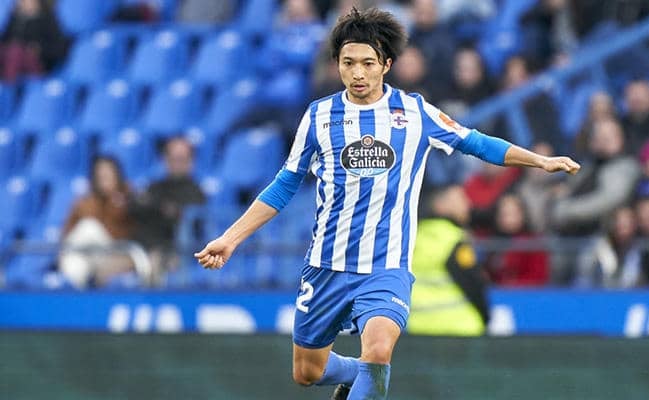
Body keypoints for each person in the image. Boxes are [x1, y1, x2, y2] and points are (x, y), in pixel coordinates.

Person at [193, 8, 580, 400]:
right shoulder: (319, 116)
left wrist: (539, 160)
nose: (357, 73)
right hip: (326, 265)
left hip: (385, 267)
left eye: (367, 63)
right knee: (308, 372)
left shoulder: (414, 113)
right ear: (337, 64)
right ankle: (353, 374)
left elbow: (476, 142)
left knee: (378, 350)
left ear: (386, 65)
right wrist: (230, 238)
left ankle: (365, 375)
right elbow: (284, 185)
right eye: (348, 63)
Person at [407, 184, 489, 336]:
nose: (468, 204)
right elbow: (473, 282)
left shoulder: (414, 235)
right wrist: (486, 316)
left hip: (419, 327)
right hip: (459, 327)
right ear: (440, 205)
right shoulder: (455, 239)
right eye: (460, 199)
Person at [132, 137, 206, 280]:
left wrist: (155, 207)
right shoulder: (155, 186)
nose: (176, 163)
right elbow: (136, 207)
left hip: (177, 252)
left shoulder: (195, 193)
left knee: (153, 263)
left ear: (191, 161)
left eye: (181, 159)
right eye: (172, 158)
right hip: (142, 248)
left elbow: (183, 220)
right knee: (107, 266)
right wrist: (161, 208)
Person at [59, 156, 136, 288]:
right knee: (75, 259)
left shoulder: (130, 198)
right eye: (100, 174)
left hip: (119, 254)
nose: (103, 177)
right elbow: (67, 234)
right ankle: (75, 292)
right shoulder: (85, 203)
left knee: (89, 227)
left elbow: (131, 233)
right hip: (90, 255)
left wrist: (117, 202)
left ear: (117, 175)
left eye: (108, 173)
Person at [486, 193, 550, 286]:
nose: (508, 218)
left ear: (522, 214)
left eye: (513, 213)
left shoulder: (533, 243)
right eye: (504, 214)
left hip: (524, 292)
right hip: (497, 292)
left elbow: (538, 278)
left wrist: (512, 286)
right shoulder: (492, 242)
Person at [0, 0, 68, 81]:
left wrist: (39, 48)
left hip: (38, 62)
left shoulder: (47, 19)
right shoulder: (15, 18)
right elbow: (5, 39)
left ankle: (8, 84)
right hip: (13, 56)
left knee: (15, 51)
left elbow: (59, 48)